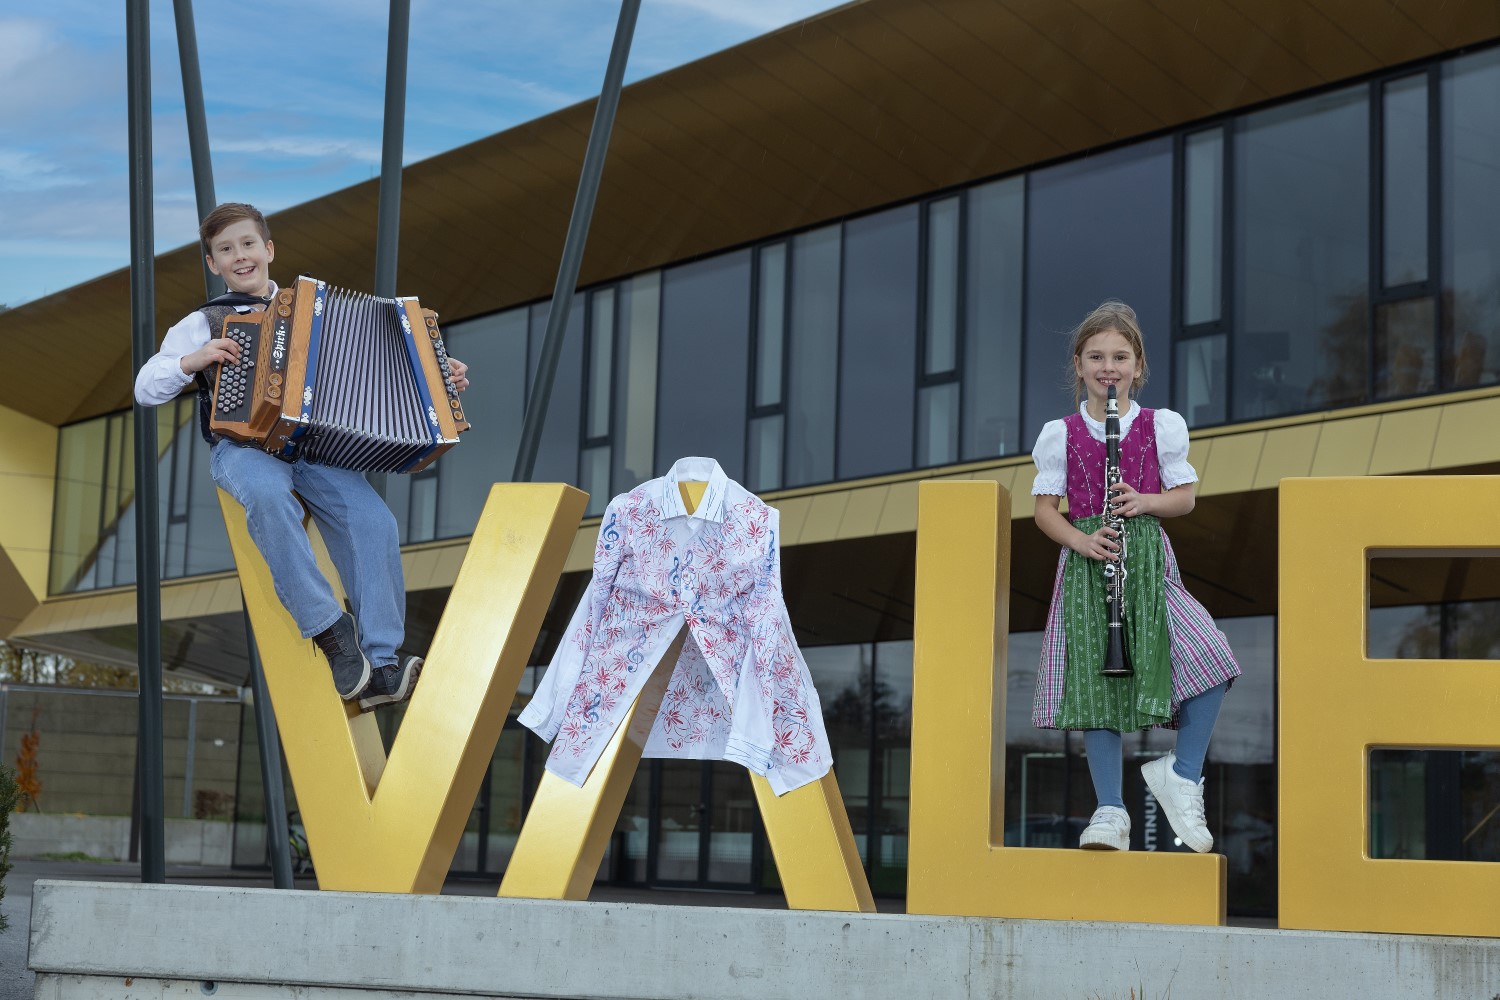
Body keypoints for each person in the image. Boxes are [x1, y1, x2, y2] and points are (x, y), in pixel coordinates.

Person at [133, 203, 471, 712]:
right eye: (225, 250)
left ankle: (381, 664)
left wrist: (439, 376)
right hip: (242, 449)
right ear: (213, 264)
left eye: (248, 244)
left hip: (316, 451)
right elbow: (144, 388)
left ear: (268, 250)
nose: (239, 256)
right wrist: (190, 361)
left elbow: (378, 368)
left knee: (373, 520)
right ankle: (331, 632)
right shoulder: (205, 321)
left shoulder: (319, 313)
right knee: (268, 496)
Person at [1030, 300, 1239, 853]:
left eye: (1120, 357)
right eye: (1096, 356)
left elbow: (1185, 499)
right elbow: (1045, 509)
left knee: (1211, 658)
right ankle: (1109, 811)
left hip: (1145, 555)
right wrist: (1081, 538)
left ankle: (1182, 771)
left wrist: (1144, 501)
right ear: (1079, 365)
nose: (1108, 367)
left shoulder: (1159, 425)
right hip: (1087, 560)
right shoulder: (1061, 432)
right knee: (1099, 687)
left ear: (1138, 365)